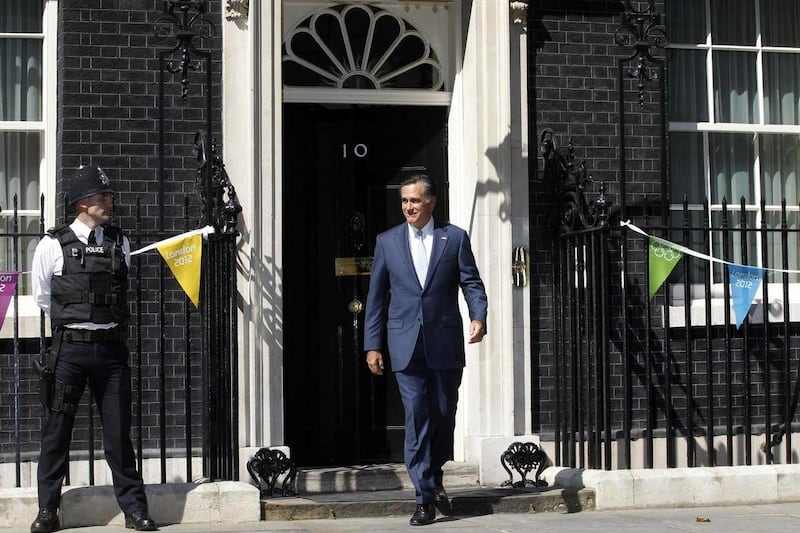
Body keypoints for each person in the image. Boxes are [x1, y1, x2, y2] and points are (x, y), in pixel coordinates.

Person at [30, 166, 156, 533]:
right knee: (57, 432)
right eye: (103, 197)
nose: (110, 203)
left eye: (110, 197)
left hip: (112, 353)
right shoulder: (52, 244)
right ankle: (47, 511)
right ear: (83, 203)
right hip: (69, 350)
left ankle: (135, 510)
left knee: (119, 435)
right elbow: (43, 298)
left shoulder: (120, 242)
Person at [363, 174, 488, 526]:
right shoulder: (387, 242)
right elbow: (375, 299)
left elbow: (472, 283)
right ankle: (423, 497)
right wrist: (372, 345)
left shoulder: (454, 238)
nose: (408, 207)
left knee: (444, 414)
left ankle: (433, 476)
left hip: (445, 342)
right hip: (404, 344)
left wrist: (478, 316)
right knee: (416, 416)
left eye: (414, 201)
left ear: (430, 202)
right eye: (404, 201)